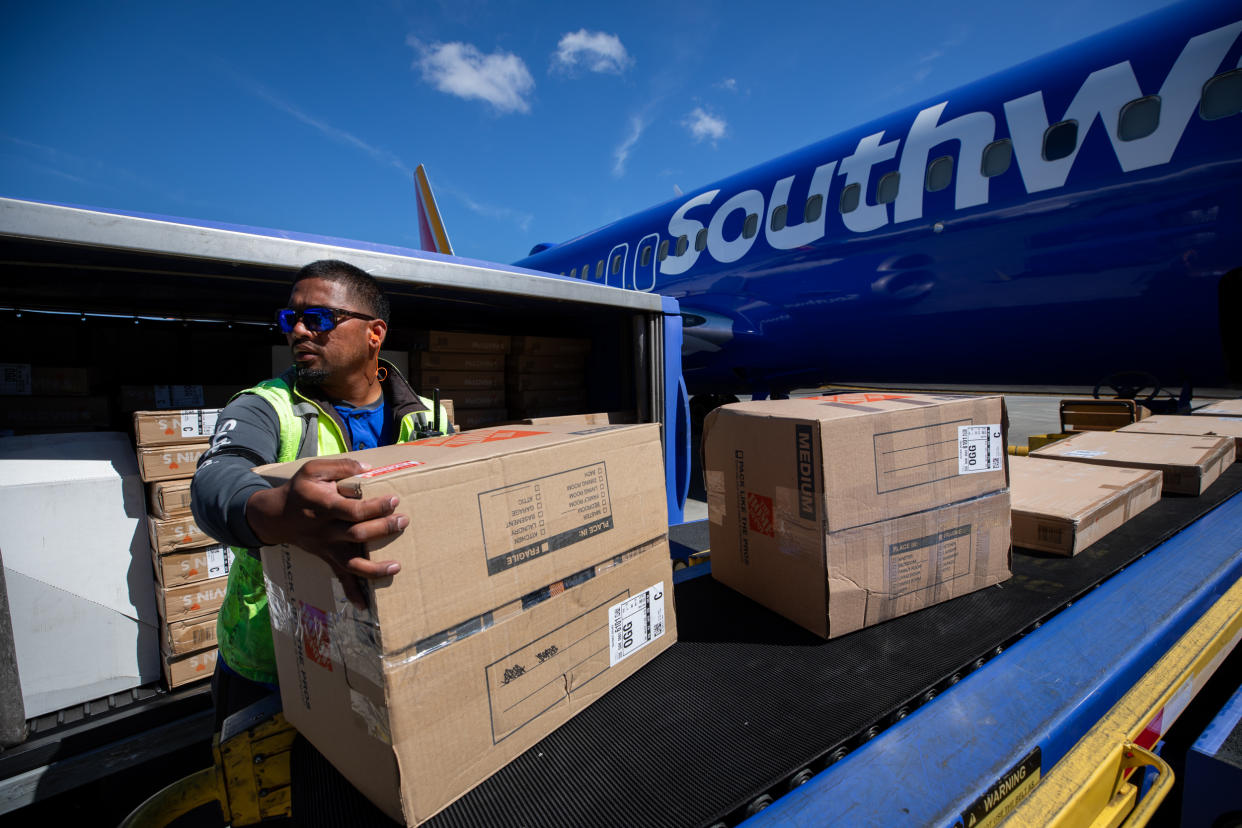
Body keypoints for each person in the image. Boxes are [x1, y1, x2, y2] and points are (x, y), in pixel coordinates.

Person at [191, 258, 451, 733]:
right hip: (272, 661)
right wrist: (275, 511)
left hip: (387, 646)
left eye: (320, 318)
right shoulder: (264, 406)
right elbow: (215, 481)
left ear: (375, 334)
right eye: (291, 319)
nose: (299, 332)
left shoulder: (429, 416)